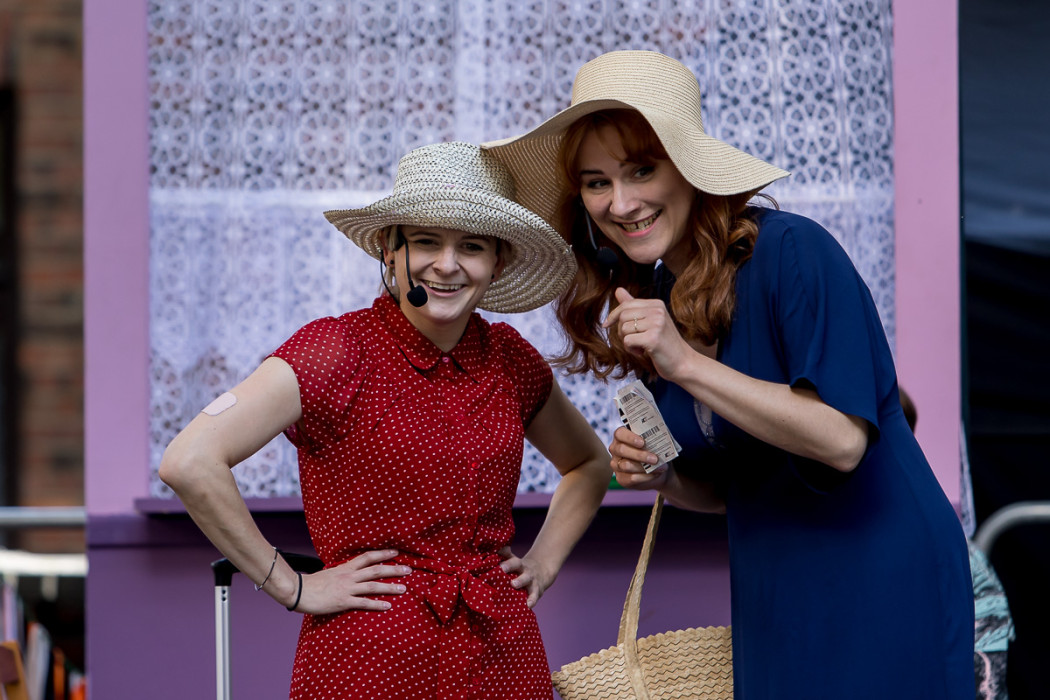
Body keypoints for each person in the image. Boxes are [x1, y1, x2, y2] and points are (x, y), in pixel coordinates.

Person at [484, 50, 975, 698]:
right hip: (771, 586)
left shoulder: (791, 251)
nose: (620, 202)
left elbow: (841, 441)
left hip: (880, 571)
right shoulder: (656, 293)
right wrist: (664, 478)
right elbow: (729, 488)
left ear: (689, 169)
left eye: (641, 170)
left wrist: (684, 364)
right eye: (596, 182)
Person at [159, 141, 610, 699]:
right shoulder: (337, 351)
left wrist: (542, 563)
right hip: (370, 660)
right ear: (390, 250)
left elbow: (589, 464)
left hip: (501, 655)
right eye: (426, 241)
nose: (447, 264)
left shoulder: (510, 360)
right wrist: (291, 586)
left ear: (497, 262)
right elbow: (189, 460)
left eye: (471, 246)